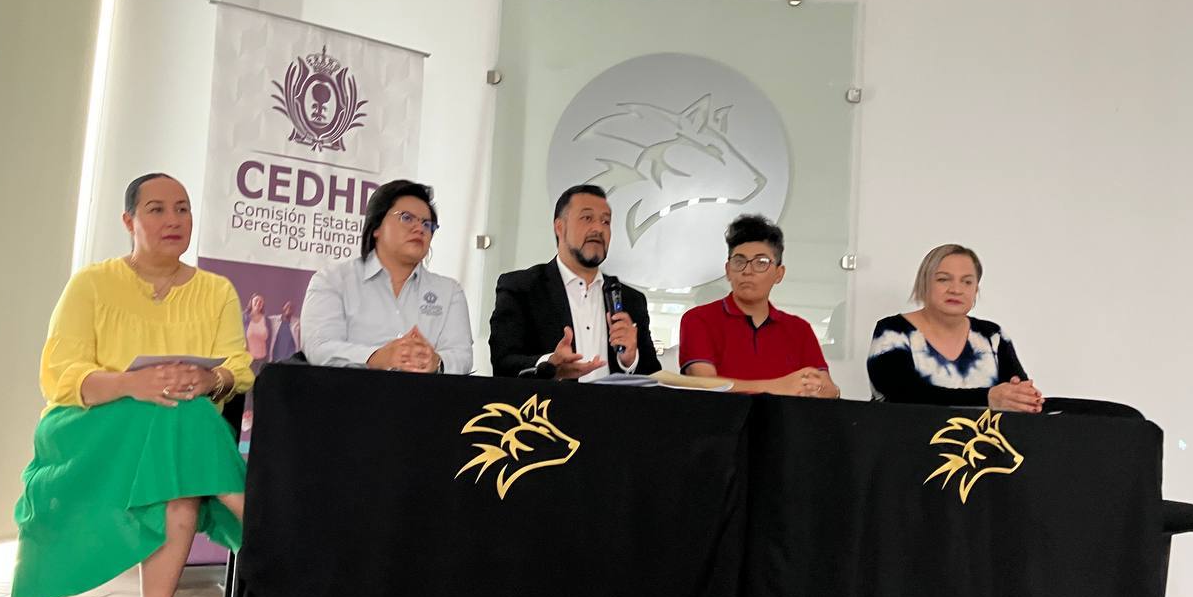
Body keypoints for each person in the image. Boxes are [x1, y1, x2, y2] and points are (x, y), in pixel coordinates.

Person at [10, 173, 253, 597]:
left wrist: (212, 378)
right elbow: (61, 375)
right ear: (129, 221)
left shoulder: (216, 291)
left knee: (178, 434)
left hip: (173, 444)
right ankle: (254, 514)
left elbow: (238, 366)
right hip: (88, 430)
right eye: (157, 209)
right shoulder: (91, 284)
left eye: (182, 209)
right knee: (179, 419)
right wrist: (131, 384)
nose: (173, 220)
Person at [489, 184, 661, 379]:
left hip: (614, 400)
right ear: (559, 227)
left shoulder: (631, 300)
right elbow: (503, 363)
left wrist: (630, 360)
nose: (598, 228)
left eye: (606, 221)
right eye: (587, 218)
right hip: (549, 399)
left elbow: (655, 377)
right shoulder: (522, 288)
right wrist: (549, 364)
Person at [301, 179, 472, 373]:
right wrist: (376, 357)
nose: (419, 229)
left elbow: (462, 355)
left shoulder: (449, 291)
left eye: (427, 224)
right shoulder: (333, 280)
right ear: (376, 227)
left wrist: (436, 362)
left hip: (426, 392)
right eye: (407, 218)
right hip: (349, 390)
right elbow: (319, 346)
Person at [679, 214, 840, 398]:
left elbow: (826, 387)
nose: (747, 271)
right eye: (739, 262)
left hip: (785, 418)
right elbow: (704, 383)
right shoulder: (699, 319)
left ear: (779, 273)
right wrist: (781, 387)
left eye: (761, 262)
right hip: (722, 417)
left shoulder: (799, 329)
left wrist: (826, 390)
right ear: (728, 270)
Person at [867, 243, 1042, 411]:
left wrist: (1025, 399)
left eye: (967, 282)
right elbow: (903, 395)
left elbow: (1018, 395)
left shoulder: (992, 335)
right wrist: (987, 398)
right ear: (924, 283)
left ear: (976, 289)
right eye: (943, 279)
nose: (956, 289)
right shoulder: (893, 331)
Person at [243, 293, 270, 366]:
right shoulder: (244, 318)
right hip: (248, 360)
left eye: (261, 302)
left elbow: (269, 340)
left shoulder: (266, 320)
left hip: (263, 359)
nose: (258, 303)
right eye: (256, 300)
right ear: (251, 302)